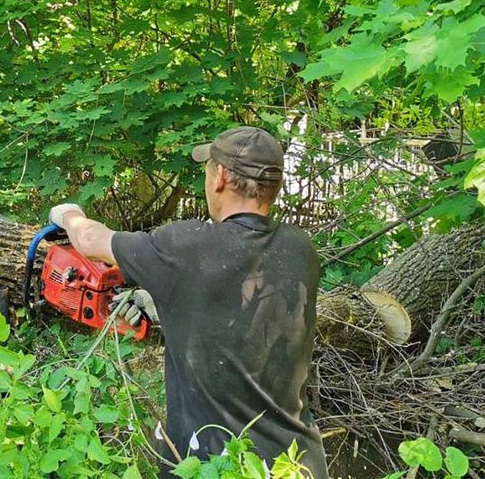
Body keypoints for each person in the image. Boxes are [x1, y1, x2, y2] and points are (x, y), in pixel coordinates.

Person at [49, 127, 329, 478]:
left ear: (221, 177)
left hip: (218, 465)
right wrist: (161, 308)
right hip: (296, 463)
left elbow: (91, 240)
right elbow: (237, 312)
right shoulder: (300, 249)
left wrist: (69, 215)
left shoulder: (184, 247)